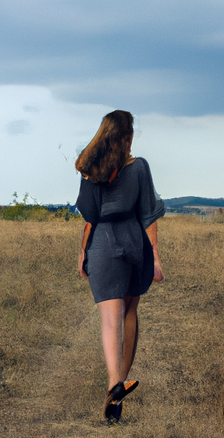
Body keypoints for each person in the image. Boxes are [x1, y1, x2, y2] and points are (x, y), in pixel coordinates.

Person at [75, 110, 165, 423]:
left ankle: (115, 383)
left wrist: (83, 252)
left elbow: (90, 215)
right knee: (129, 313)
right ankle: (120, 384)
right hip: (133, 241)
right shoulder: (139, 167)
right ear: (127, 136)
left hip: (101, 242)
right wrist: (155, 255)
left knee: (109, 320)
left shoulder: (89, 168)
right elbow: (148, 215)